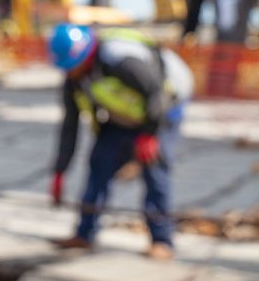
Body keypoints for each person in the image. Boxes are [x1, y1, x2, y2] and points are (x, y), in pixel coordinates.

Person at [48, 24, 193, 260]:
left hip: (164, 107)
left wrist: (149, 135)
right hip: (125, 115)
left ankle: (162, 240)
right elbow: (70, 126)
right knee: (99, 164)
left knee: (154, 170)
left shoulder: (118, 59)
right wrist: (59, 171)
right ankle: (84, 234)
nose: (70, 73)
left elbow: (157, 91)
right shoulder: (75, 77)